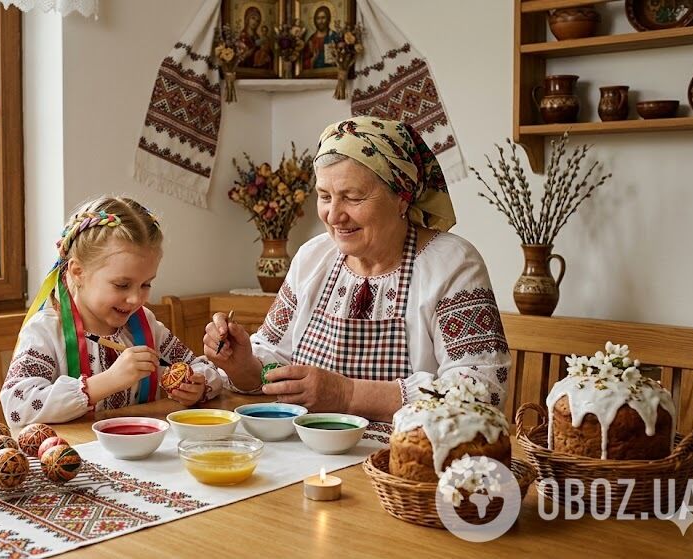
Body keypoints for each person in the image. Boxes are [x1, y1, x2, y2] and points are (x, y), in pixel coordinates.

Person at [204, 117, 510, 421]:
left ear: (402, 198)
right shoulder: (313, 257)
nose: (334, 215)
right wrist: (241, 362)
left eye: (352, 197)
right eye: (324, 197)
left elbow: (481, 393)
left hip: (401, 459)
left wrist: (346, 395)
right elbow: (272, 365)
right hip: (307, 454)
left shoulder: (452, 264)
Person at [3, 197, 223, 424]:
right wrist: (107, 382)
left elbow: (205, 368)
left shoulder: (146, 325)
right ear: (78, 271)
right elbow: (17, 407)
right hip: (74, 456)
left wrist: (197, 386)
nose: (136, 298)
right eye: (121, 285)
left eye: (146, 284)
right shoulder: (47, 331)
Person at [302, 5, 340, 70]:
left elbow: (342, 56)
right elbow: (304, 62)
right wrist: (312, 60)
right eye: (318, 18)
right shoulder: (311, 40)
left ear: (328, 19)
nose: (320, 21)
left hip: (331, 73)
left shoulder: (334, 36)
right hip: (314, 75)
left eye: (323, 18)